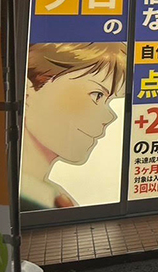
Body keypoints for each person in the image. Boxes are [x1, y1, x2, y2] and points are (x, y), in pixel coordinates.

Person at [20, 42, 126, 211]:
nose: (110, 116)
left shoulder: (52, 195)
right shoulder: (24, 198)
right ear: (27, 91)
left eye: (109, 101)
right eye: (97, 95)